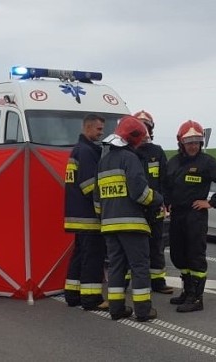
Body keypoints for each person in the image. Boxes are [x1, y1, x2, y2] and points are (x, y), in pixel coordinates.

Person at [96, 115, 163, 322]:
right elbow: (140, 193)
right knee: (140, 267)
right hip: (132, 224)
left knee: (116, 267)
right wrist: (158, 198)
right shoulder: (130, 158)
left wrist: (105, 217)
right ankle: (143, 311)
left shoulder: (104, 161)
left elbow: (97, 199)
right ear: (133, 138)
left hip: (109, 226)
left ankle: (116, 308)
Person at [164, 120, 216, 313]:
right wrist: (166, 203)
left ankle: (196, 297)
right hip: (177, 215)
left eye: (197, 142)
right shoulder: (173, 162)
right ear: (181, 143)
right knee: (179, 255)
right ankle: (187, 291)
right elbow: (167, 185)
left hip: (195, 216)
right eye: (189, 142)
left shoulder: (207, 162)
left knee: (195, 256)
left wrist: (211, 202)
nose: (193, 146)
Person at [63, 114, 108, 311]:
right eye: (98, 129)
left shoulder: (77, 150)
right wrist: (104, 208)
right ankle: (92, 299)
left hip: (76, 215)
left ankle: (72, 295)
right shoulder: (88, 152)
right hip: (89, 216)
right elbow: (91, 186)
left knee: (80, 255)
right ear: (88, 127)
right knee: (93, 257)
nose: (102, 133)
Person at [132, 110, 173, 295]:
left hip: (155, 207)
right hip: (135, 208)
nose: (143, 130)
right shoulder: (129, 151)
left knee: (156, 245)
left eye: (146, 127)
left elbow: (166, 179)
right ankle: (128, 282)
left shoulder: (157, 151)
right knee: (132, 246)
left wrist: (167, 201)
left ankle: (157, 281)